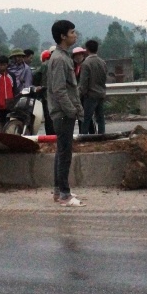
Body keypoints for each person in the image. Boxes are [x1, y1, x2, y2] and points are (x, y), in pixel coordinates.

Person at [46, 20, 84, 206]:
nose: (74, 35)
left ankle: (58, 191)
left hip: (62, 112)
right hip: (62, 113)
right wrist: (72, 111)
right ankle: (64, 194)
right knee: (65, 153)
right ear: (63, 36)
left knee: (61, 152)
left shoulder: (62, 56)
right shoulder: (60, 59)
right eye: (72, 32)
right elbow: (60, 90)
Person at [79, 39, 108, 135]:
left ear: (87, 50)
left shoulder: (86, 63)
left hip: (90, 95)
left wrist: (82, 93)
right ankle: (101, 136)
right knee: (100, 118)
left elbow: (84, 82)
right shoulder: (102, 62)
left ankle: (84, 137)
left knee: (86, 118)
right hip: (101, 93)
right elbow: (104, 78)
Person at [33, 49, 55, 136]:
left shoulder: (43, 66)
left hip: (46, 95)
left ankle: (50, 136)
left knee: (48, 118)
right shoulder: (56, 64)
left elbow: (35, 75)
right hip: (58, 94)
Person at [0, 54, 15, 130]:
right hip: (0, 103)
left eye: (4, 65)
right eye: (0, 65)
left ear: (7, 65)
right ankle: (2, 133)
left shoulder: (11, 75)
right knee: (1, 121)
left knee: (8, 120)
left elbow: (14, 88)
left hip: (9, 102)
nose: (2, 66)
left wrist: (14, 99)